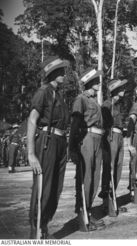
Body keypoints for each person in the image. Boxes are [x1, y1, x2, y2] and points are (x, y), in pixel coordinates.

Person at [27, 56, 70, 239]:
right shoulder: (43, 91)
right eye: (60, 71)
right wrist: (31, 154)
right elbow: (32, 120)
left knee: (55, 189)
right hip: (47, 140)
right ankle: (36, 231)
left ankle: (44, 226)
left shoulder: (58, 93)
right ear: (52, 73)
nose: (64, 74)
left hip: (60, 142)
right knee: (44, 187)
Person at [69, 68, 106, 231]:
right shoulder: (81, 99)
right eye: (96, 81)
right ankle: (82, 214)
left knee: (95, 177)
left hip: (98, 139)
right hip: (87, 139)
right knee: (86, 178)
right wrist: (72, 147)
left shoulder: (94, 101)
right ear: (90, 83)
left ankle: (88, 210)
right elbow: (75, 123)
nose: (99, 83)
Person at [99, 78, 128, 216]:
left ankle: (113, 198)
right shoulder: (107, 104)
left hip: (120, 136)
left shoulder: (118, 105)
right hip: (111, 137)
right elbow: (103, 124)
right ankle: (106, 202)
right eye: (121, 88)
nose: (124, 90)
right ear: (115, 90)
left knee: (118, 168)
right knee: (109, 169)